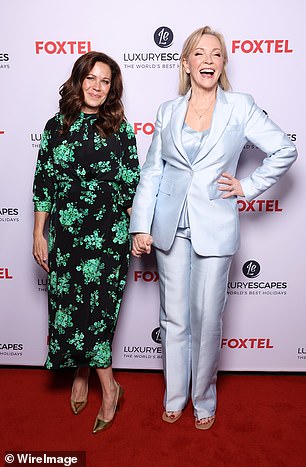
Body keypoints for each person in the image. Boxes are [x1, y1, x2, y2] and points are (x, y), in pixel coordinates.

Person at [129, 26, 297, 430]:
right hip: (170, 230)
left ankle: (203, 400)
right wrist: (140, 225)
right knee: (174, 318)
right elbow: (152, 172)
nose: (207, 60)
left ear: (222, 64)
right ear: (185, 63)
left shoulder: (240, 106)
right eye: (199, 54)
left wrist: (248, 186)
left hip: (215, 228)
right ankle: (174, 396)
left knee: (206, 319)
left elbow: (284, 148)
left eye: (216, 54)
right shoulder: (168, 110)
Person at [32, 51, 140, 433]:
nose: (97, 87)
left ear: (112, 89)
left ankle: (109, 389)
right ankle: (81, 373)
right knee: (69, 312)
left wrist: (139, 231)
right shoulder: (55, 127)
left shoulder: (122, 130)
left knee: (97, 316)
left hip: (109, 240)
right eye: (91, 78)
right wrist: (38, 233)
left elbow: (131, 190)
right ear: (79, 80)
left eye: (105, 81)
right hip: (66, 237)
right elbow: (44, 183)